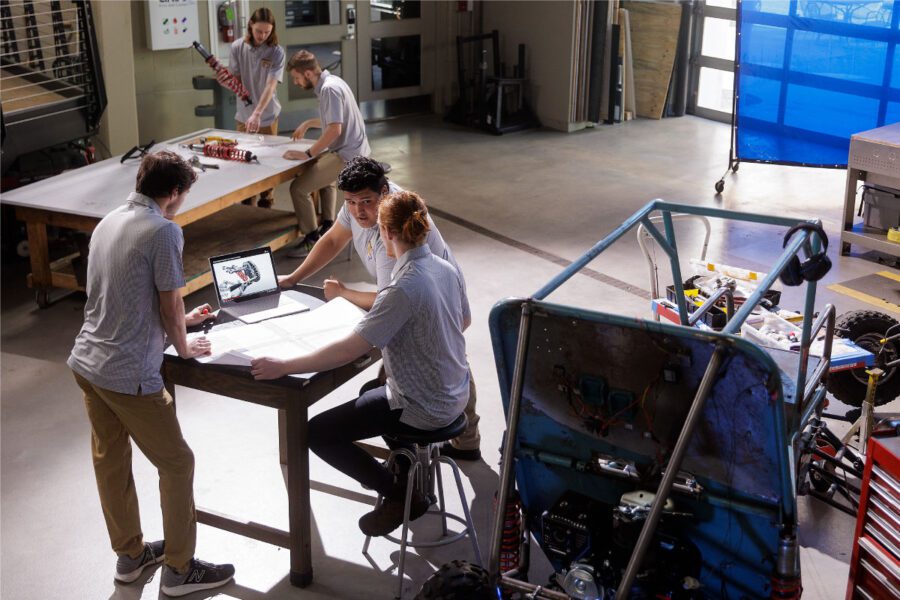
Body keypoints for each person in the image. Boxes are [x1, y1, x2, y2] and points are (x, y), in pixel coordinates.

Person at [252, 191, 469, 536]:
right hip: (455, 395)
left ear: (385, 234)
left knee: (318, 433)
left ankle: (399, 494)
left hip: (423, 406)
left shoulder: (402, 287)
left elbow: (350, 350)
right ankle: (402, 465)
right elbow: (463, 320)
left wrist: (285, 365)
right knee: (372, 388)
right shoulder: (445, 267)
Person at [67, 151, 235, 597]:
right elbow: (169, 302)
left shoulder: (109, 222)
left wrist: (180, 323)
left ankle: (130, 557)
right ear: (175, 193)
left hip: (88, 363)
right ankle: (179, 571)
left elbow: (119, 295)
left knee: (112, 462)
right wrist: (182, 342)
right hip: (128, 376)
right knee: (178, 463)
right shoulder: (164, 231)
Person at [277, 157, 482, 460]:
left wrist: (344, 294)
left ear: (384, 196)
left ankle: (408, 471)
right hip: (440, 333)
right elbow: (333, 238)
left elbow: (362, 335)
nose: (358, 210)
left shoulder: (395, 254)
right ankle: (422, 455)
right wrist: (294, 277)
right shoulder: (421, 253)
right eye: (350, 202)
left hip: (428, 320)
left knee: (424, 365)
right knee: (423, 370)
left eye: (366, 202)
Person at [281, 49, 371, 258]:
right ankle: (328, 226)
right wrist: (308, 123)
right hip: (354, 151)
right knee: (324, 178)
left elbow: (334, 129)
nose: (295, 82)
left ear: (308, 74)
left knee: (298, 188)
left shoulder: (328, 90)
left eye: (296, 78)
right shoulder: (333, 82)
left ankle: (312, 238)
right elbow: (334, 119)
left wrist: (308, 153)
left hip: (348, 156)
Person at [221, 7, 284, 208]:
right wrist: (225, 81)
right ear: (250, 26)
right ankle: (248, 202)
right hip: (243, 116)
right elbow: (236, 83)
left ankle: (267, 202)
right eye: (259, 31)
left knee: (267, 163)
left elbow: (270, 85)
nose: (262, 36)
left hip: (266, 116)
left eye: (267, 32)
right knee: (244, 160)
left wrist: (257, 113)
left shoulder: (276, 52)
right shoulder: (237, 47)